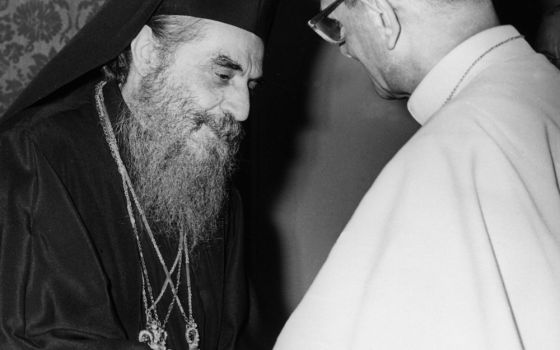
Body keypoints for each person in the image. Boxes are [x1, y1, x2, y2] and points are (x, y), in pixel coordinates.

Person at [274, 0, 560, 349]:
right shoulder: (545, 89)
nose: (345, 49)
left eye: (335, 26)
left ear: (382, 16)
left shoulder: (443, 161)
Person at [0, 0, 276, 349]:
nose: (242, 110)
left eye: (250, 85)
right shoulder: (36, 156)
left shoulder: (217, 193)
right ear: (148, 53)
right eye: (222, 75)